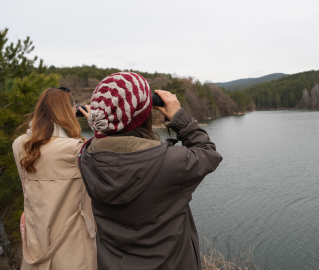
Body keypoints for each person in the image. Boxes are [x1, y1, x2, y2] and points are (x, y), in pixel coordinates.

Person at [79, 72, 223, 270]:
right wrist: (179, 117)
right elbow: (208, 154)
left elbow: (103, 142)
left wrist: (103, 126)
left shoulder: (86, 158)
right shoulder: (170, 163)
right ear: (144, 116)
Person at [12, 87, 97, 270]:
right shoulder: (77, 150)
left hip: (36, 245)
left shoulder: (19, 145)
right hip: (74, 249)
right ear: (69, 112)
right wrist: (97, 127)